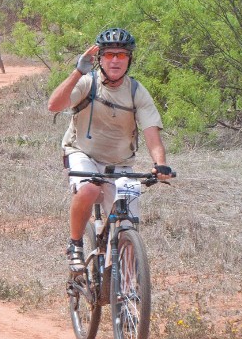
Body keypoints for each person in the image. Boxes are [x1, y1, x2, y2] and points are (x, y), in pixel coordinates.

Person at [46, 27, 173, 273]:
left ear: (129, 60)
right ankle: (75, 245)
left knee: (127, 225)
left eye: (122, 55)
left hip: (120, 164)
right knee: (90, 188)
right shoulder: (88, 82)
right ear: (100, 59)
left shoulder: (137, 91)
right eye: (110, 55)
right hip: (82, 152)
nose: (115, 60)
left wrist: (160, 164)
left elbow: (151, 134)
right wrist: (77, 72)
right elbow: (54, 105)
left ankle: (123, 289)